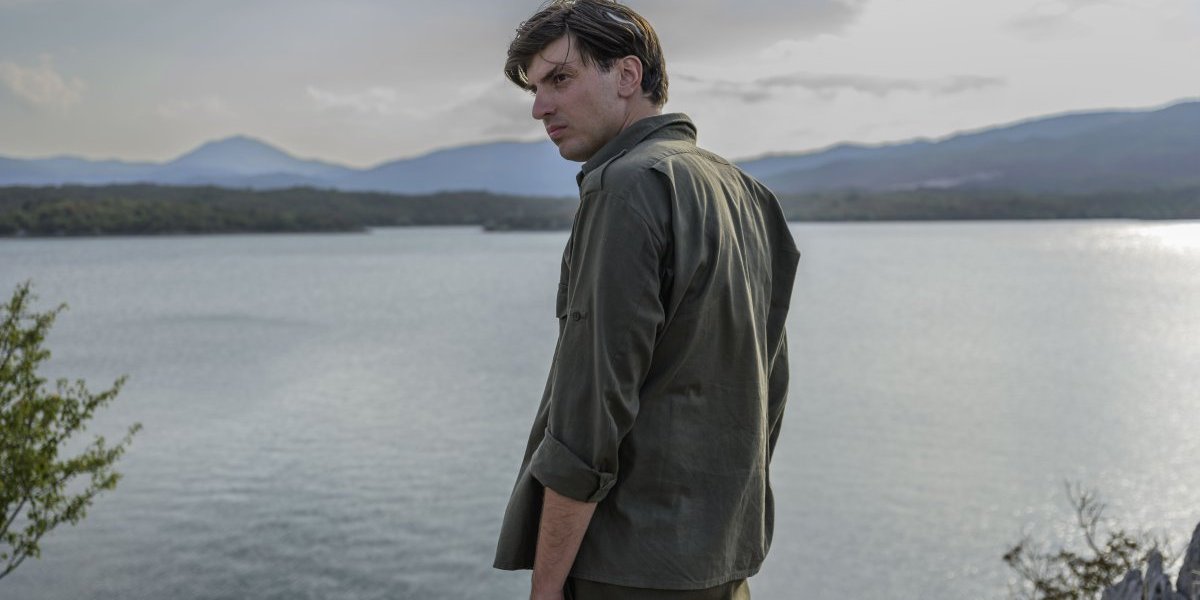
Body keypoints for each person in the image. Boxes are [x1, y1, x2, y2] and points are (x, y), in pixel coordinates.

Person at [492, 2, 801, 599]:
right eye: (535, 89)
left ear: (628, 75)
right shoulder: (746, 192)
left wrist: (546, 587)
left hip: (628, 567)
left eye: (560, 78)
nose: (540, 107)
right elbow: (770, 386)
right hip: (721, 560)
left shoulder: (624, 187)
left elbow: (589, 417)